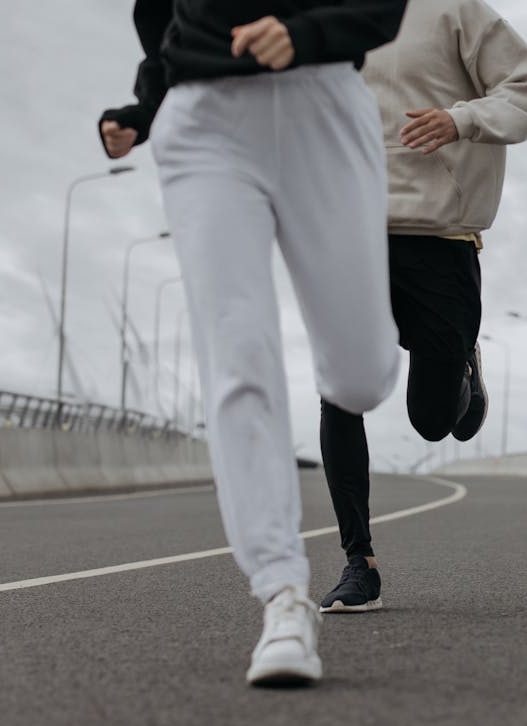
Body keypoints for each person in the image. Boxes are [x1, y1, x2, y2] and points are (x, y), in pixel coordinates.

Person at [100, 0, 409, 686]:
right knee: (236, 350)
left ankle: (390, 358)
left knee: (359, 377)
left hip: (323, 104)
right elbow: (161, 21)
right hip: (204, 123)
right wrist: (144, 110)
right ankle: (283, 595)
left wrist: (305, 35)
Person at [316, 0, 527, 613]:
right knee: (340, 390)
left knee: (432, 418)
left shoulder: (454, 10)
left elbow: (526, 93)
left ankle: (463, 362)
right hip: (351, 233)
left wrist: (458, 119)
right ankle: (357, 562)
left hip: (440, 238)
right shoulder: (321, 19)